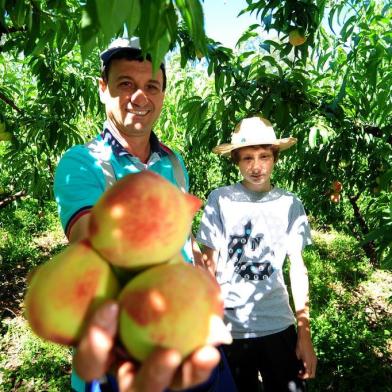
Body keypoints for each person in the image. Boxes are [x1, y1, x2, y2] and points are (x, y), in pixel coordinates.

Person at [54, 38, 234, 392]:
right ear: (103, 89)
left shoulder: (173, 162)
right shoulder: (82, 164)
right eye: (126, 84)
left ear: (163, 94)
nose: (140, 96)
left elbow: (185, 238)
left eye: (151, 86)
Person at [196, 116, 318, 392]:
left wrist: (304, 333)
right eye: (247, 158)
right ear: (236, 161)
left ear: (275, 158)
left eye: (264, 156)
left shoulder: (289, 204)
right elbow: (208, 265)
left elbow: (297, 268)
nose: (256, 166)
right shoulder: (221, 200)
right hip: (231, 329)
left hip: (279, 325)